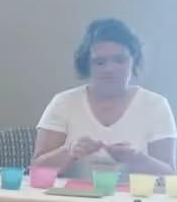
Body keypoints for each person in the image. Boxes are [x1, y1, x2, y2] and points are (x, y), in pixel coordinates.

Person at [31, 18, 176, 178]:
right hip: (70, 200)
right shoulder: (64, 103)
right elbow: (36, 169)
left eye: (119, 60)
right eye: (99, 62)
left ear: (133, 61)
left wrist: (134, 158)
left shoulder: (156, 105)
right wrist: (69, 151)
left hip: (135, 201)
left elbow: (169, 173)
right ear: (87, 65)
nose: (109, 69)